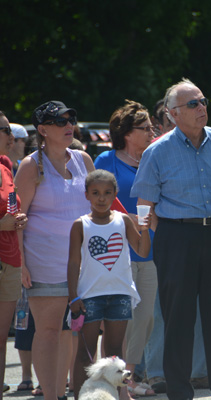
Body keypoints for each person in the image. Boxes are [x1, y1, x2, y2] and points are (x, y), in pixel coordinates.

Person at [131, 78, 211, 400]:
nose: (202, 108)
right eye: (192, 104)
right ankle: (179, 393)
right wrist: (158, 234)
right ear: (172, 114)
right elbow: (144, 204)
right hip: (176, 236)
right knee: (177, 319)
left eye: (203, 101)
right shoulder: (157, 152)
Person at [15, 101, 95, 400]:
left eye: (71, 119)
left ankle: (63, 393)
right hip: (44, 262)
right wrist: (21, 263)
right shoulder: (30, 166)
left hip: (83, 263)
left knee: (70, 331)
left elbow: (99, 206)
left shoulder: (84, 160)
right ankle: (50, 396)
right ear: (42, 129)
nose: (68, 125)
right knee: (48, 331)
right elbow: (17, 219)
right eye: (59, 121)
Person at [67, 170, 150, 399]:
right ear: (86, 195)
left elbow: (142, 250)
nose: (101, 198)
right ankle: (81, 397)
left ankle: (117, 397)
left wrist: (144, 228)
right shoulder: (80, 225)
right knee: (86, 355)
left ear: (115, 195)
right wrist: (73, 296)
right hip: (89, 296)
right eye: (95, 193)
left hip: (120, 294)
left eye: (106, 193)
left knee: (115, 355)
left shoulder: (123, 220)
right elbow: (74, 263)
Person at [93, 100, 157, 396]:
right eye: (145, 128)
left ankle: (127, 379)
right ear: (128, 133)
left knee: (144, 319)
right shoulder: (106, 159)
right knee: (120, 322)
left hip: (151, 251)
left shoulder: (153, 159)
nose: (151, 132)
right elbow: (99, 197)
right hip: (117, 253)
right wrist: (129, 219)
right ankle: (117, 384)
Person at [0, 113, 28, 399]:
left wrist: (18, 220)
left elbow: (11, 206)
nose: (12, 137)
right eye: (5, 130)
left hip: (10, 259)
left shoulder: (6, 166)